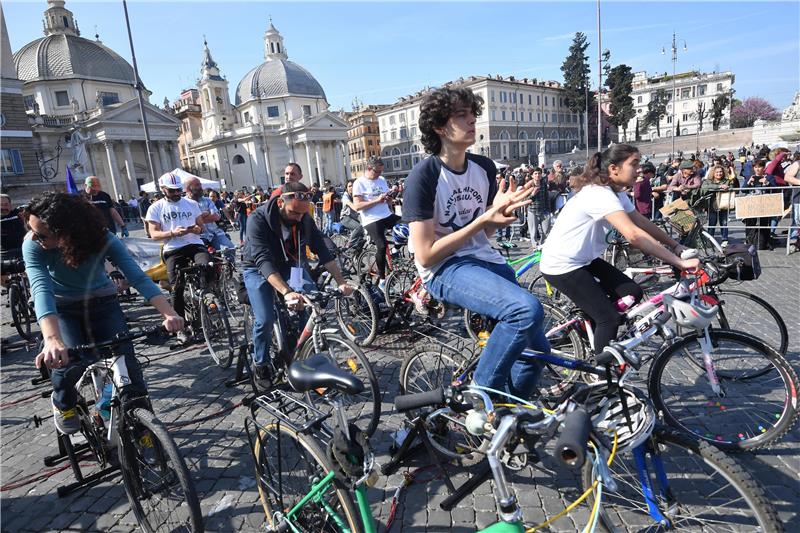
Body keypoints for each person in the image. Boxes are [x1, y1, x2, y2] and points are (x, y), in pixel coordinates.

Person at [404, 86, 549, 399]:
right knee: (526, 310)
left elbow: (483, 235)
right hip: (444, 269)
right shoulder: (423, 176)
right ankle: (477, 400)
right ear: (440, 127)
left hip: (485, 260)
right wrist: (483, 220)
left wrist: (496, 219)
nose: (472, 121)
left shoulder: (483, 167)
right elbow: (425, 256)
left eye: (473, 115)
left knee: (538, 354)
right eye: (461, 116)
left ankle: (506, 420)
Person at [23, 192, 183, 435]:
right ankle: (64, 402)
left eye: (42, 234)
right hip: (62, 307)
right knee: (68, 364)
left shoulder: (101, 237)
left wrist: (168, 313)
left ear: (67, 233)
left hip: (103, 302)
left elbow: (136, 275)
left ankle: (139, 425)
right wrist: (52, 338)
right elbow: (41, 287)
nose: (36, 237)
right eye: (32, 229)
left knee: (127, 366)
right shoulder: (32, 244)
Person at [541, 144, 700, 354]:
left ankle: (592, 323)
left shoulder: (616, 193)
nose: (639, 170)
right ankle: (601, 376)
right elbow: (633, 234)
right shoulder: (598, 193)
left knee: (632, 291)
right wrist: (677, 262)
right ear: (614, 169)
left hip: (584, 260)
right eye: (634, 164)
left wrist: (676, 246)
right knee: (609, 319)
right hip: (562, 265)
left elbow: (642, 223)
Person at [241, 181, 352, 387]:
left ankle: (305, 353)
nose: (298, 219)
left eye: (302, 215)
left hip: (289, 264)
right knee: (265, 319)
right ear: (282, 202)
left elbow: (321, 249)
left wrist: (341, 281)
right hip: (257, 268)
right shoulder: (257, 219)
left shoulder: (303, 217)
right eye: (294, 214)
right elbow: (262, 259)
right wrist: (286, 292)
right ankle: (261, 362)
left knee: (312, 302)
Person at [144, 172, 210, 342]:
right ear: (163, 189)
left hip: (194, 244)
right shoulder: (156, 207)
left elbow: (201, 227)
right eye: (172, 191)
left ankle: (205, 295)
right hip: (173, 248)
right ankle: (180, 327)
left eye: (178, 190)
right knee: (177, 287)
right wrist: (172, 233)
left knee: (207, 265)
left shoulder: (191, 203)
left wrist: (197, 229)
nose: (176, 193)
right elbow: (153, 234)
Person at [353, 156, 400, 290]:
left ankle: (395, 250)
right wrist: (376, 201)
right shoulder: (359, 183)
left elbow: (387, 200)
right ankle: (382, 278)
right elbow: (357, 206)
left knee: (409, 226)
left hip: (386, 214)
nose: (379, 174)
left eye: (381, 172)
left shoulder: (382, 180)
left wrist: (390, 199)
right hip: (371, 219)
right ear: (369, 168)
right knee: (381, 245)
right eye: (377, 172)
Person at [183, 178, 235, 259]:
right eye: (197, 185)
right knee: (203, 258)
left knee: (230, 248)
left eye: (200, 184)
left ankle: (229, 270)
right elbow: (186, 221)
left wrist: (198, 218)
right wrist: (206, 214)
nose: (201, 187)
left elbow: (216, 216)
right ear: (188, 188)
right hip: (197, 237)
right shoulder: (183, 203)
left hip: (215, 233)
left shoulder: (207, 200)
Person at [700, 164, 735, 245]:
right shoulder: (708, 181)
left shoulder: (726, 180)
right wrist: (719, 186)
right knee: (712, 222)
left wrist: (729, 186)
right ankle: (710, 238)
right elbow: (704, 187)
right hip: (712, 205)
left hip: (724, 204)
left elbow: (732, 186)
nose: (719, 174)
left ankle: (724, 239)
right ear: (713, 173)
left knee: (724, 222)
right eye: (717, 172)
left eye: (721, 172)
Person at [526, 167, 550, 246]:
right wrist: (532, 194)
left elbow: (547, 197)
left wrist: (548, 210)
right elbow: (525, 200)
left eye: (539, 173)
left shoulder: (543, 184)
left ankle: (543, 245)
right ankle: (535, 247)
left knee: (546, 230)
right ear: (532, 175)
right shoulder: (529, 185)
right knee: (533, 232)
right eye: (535, 174)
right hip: (532, 211)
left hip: (543, 210)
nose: (537, 175)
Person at [340, 179, 365, 249]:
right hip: (345, 218)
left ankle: (357, 255)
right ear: (346, 188)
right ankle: (349, 244)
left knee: (361, 238)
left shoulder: (357, 195)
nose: (351, 187)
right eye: (349, 186)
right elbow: (351, 205)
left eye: (353, 186)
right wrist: (359, 209)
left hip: (354, 218)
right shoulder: (345, 196)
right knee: (359, 227)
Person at [1, 194, 26, 261]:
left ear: (10, 205)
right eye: (0, 204)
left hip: (22, 250)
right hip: (4, 254)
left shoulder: (18, 214)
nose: (3, 207)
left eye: (6, 204)